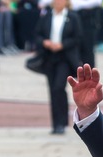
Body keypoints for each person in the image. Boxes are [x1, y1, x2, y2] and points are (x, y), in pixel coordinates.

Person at [33, 0, 83, 134]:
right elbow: (37, 35)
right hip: (49, 57)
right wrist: (45, 42)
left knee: (59, 87)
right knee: (52, 90)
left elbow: (77, 38)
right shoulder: (47, 16)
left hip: (65, 58)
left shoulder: (72, 17)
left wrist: (63, 45)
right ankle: (55, 124)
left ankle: (62, 122)